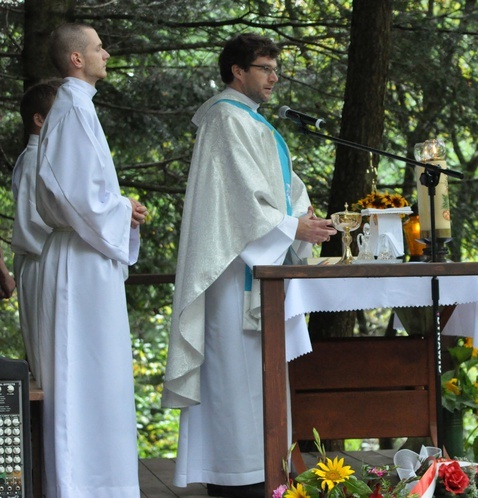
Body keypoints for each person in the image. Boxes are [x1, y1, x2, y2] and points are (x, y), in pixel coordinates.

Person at [162, 33, 336, 498]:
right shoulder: (225, 118)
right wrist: (290, 227)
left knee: (254, 382)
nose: (274, 77)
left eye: (276, 68)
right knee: (233, 380)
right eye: (264, 67)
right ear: (237, 71)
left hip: (258, 270)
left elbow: (280, 189)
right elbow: (238, 202)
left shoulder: (252, 122)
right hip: (233, 272)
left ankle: (260, 472)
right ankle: (234, 478)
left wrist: (303, 220)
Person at [35, 23, 148, 498]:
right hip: (80, 259)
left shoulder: (79, 108)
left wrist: (121, 209)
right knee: (81, 371)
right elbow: (74, 195)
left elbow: (85, 192)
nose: (106, 53)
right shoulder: (73, 110)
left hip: (89, 255)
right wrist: (122, 210)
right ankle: (84, 485)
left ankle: (106, 483)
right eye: (99, 47)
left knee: (101, 373)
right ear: (77, 59)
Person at [12, 79, 60, 388]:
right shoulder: (34, 161)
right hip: (41, 261)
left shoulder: (42, 159)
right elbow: (37, 224)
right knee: (50, 362)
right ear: (39, 120)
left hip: (44, 261)